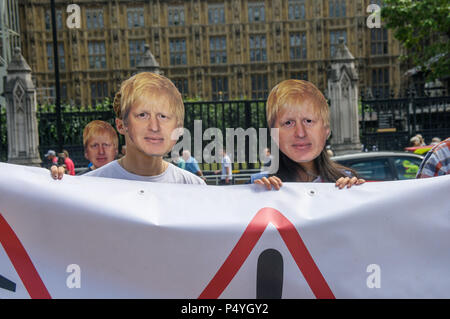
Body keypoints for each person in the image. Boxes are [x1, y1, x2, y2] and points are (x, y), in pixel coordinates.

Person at [54, 72, 205, 185]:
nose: (154, 127)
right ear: (121, 125)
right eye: (143, 115)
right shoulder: (90, 185)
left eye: (163, 116)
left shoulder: (193, 187)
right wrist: (52, 186)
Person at [253, 79, 365, 190]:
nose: (300, 133)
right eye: (288, 123)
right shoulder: (260, 185)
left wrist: (354, 194)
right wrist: (258, 196)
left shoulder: (345, 179)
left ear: (326, 130)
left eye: (308, 121)